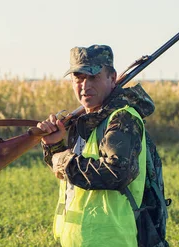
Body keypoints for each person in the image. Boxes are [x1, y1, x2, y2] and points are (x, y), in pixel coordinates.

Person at [38, 44, 156, 247]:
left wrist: (63, 160)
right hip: (76, 240)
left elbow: (117, 172)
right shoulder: (84, 121)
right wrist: (54, 146)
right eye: (78, 78)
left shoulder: (122, 118)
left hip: (111, 240)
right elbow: (69, 175)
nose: (85, 86)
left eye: (93, 77)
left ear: (112, 78)